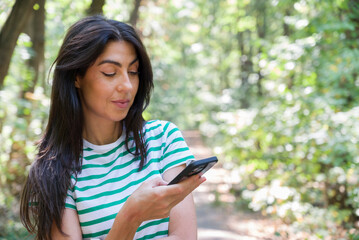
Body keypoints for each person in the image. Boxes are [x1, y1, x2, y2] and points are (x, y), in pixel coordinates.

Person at [20, 15, 205, 240]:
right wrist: (130, 217)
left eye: (134, 71)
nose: (127, 85)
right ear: (76, 76)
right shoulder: (51, 172)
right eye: (110, 72)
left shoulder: (164, 139)